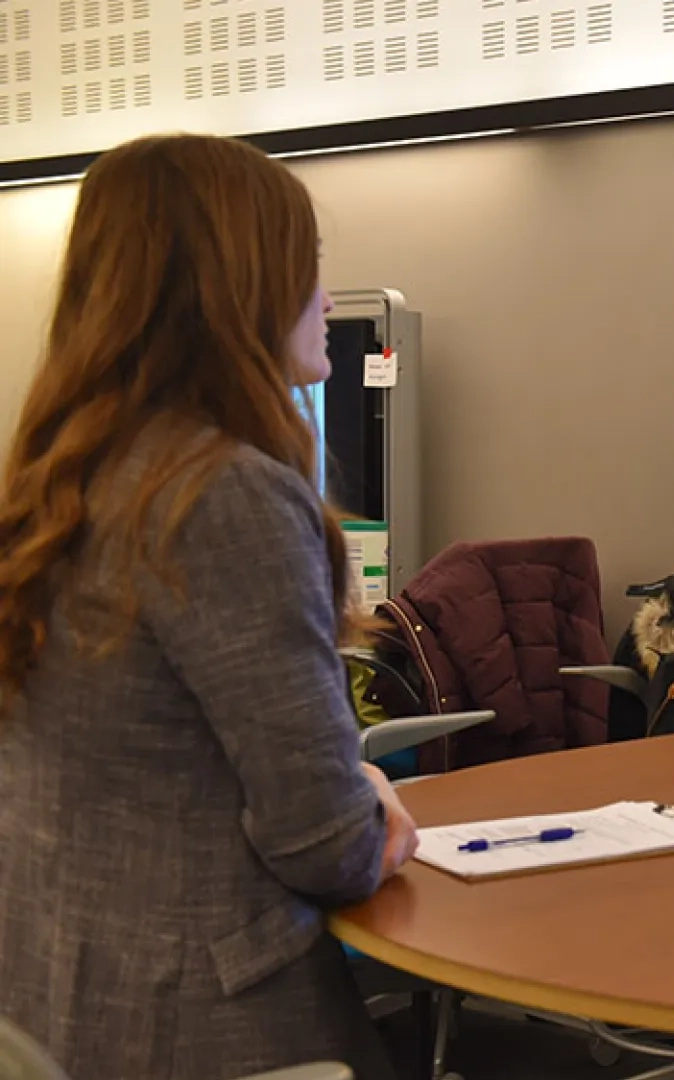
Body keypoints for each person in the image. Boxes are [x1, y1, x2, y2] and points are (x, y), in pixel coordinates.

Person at [0, 135, 417, 1080]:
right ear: (242, 286)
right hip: (204, 1026)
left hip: (54, 996)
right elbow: (326, 844)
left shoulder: (64, 475)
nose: (322, 293)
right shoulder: (221, 495)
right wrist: (376, 809)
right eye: (306, 263)